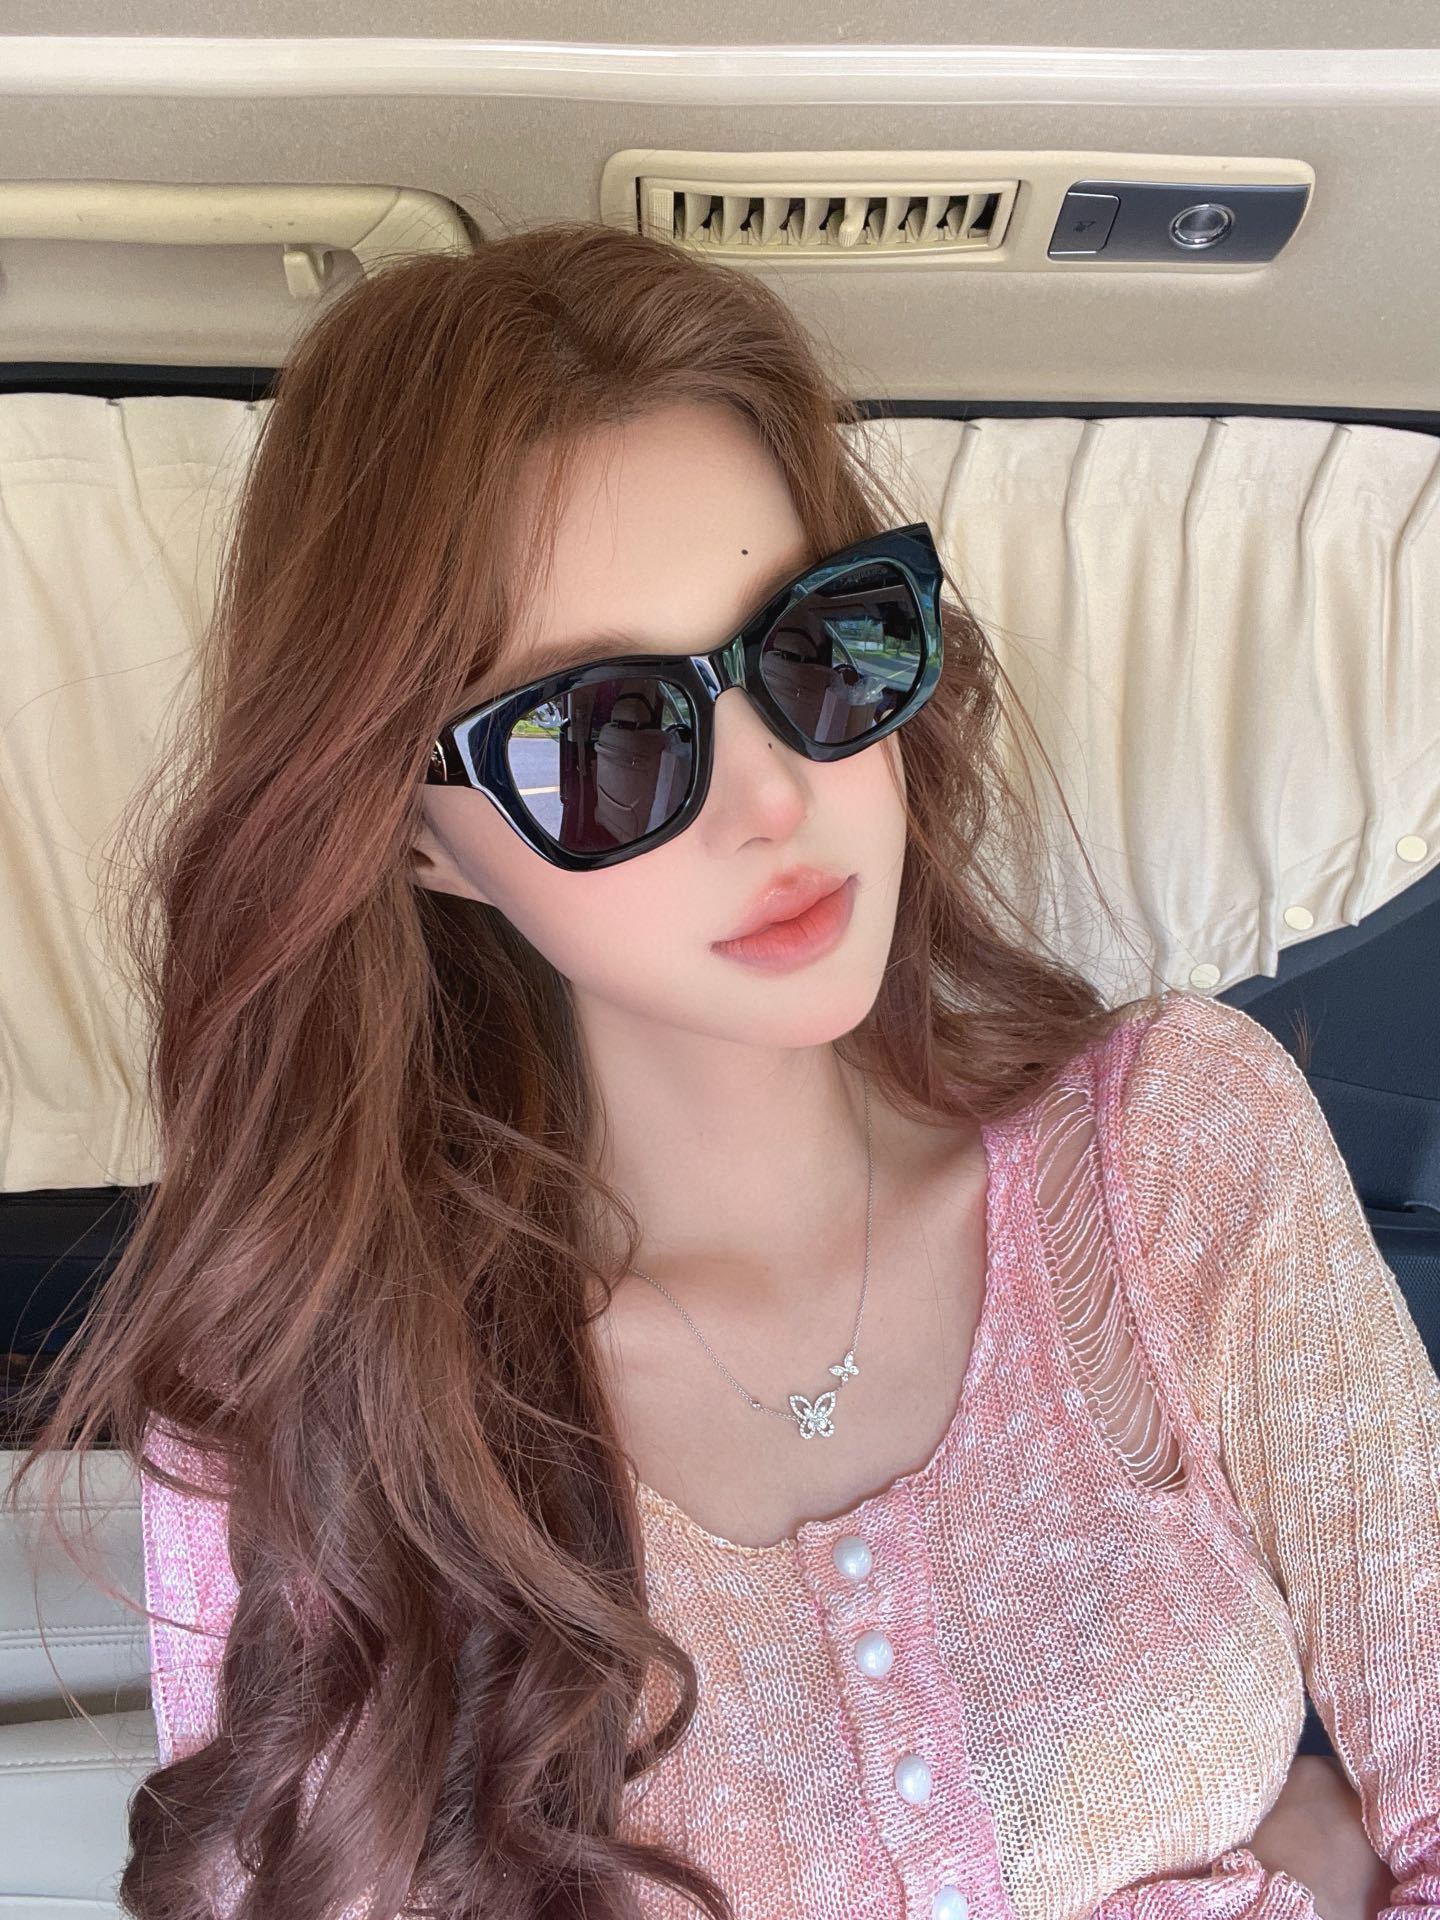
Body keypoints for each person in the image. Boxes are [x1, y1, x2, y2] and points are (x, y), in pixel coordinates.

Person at [5, 220, 1434, 1920]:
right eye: (602, 736)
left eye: (819, 647)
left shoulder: (1182, 1148)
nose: (773, 799)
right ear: (416, 834)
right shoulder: (304, 1408)